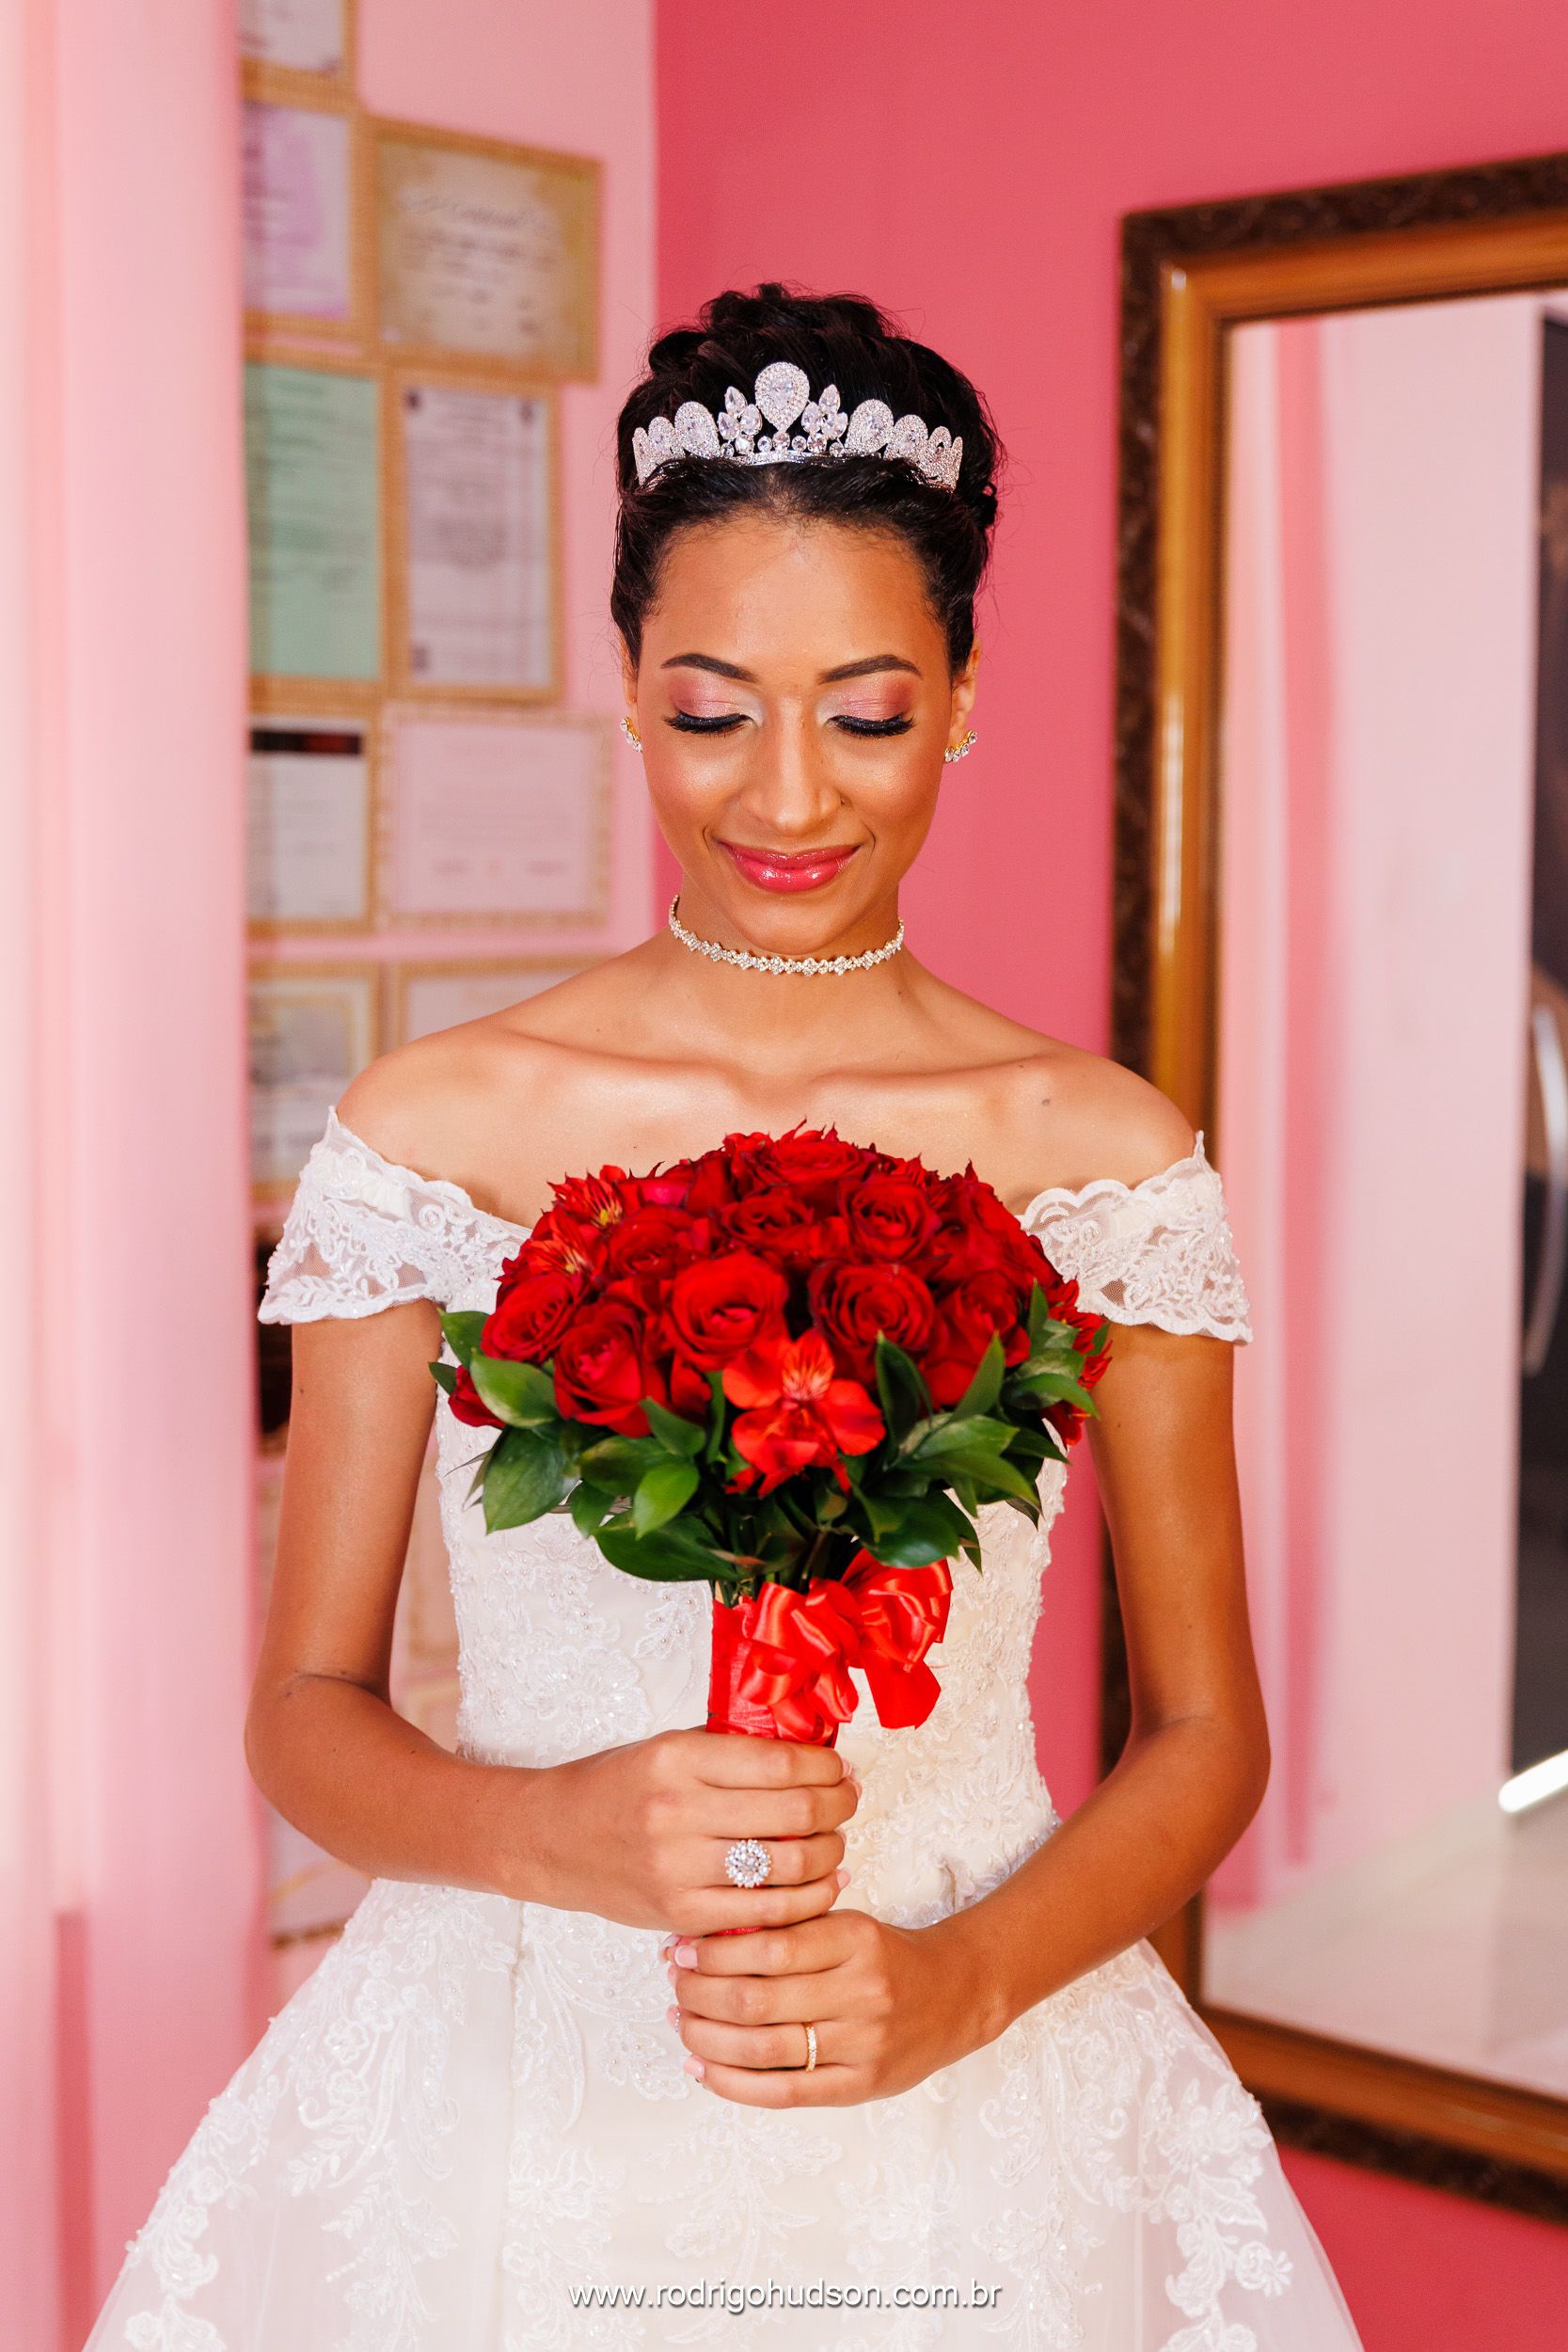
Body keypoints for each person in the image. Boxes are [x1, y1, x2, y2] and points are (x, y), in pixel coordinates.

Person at [86, 285, 1362, 2349]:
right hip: (518, 2065)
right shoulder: (441, 1128)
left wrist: (965, 1975)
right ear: (625, 689)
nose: (788, 795)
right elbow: (300, 1713)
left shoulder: (1097, 1151)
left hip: (963, 2040)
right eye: (711, 708)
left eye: (866, 710)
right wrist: (549, 1831)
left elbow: (1204, 1732)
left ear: (962, 695)